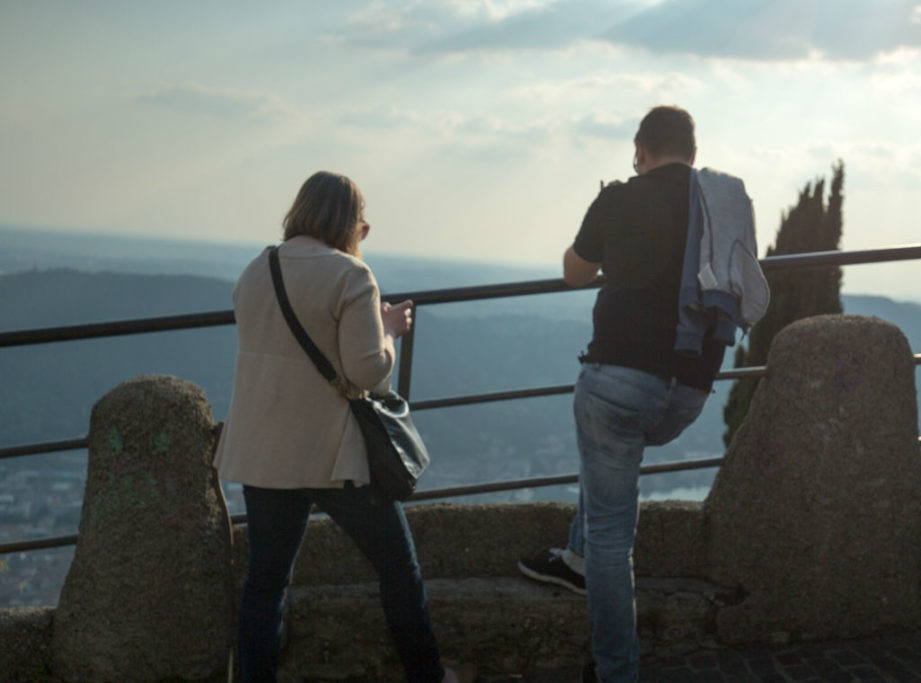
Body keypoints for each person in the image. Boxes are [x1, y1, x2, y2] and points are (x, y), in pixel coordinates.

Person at [214, 171, 475, 683]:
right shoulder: (352, 276)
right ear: (349, 223)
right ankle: (428, 675)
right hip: (335, 457)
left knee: (266, 585)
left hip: (264, 452)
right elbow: (368, 373)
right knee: (398, 569)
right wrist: (389, 331)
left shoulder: (255, 269)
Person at [517, 106, 727, 683]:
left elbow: (574, 272)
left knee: (614, 529)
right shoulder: (720, 206)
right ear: (693, 149)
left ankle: (616, 670)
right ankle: (576, 555)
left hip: (619, 382)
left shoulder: (620, 198)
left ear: (640, 149)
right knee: (608, 459)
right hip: (690, 391)